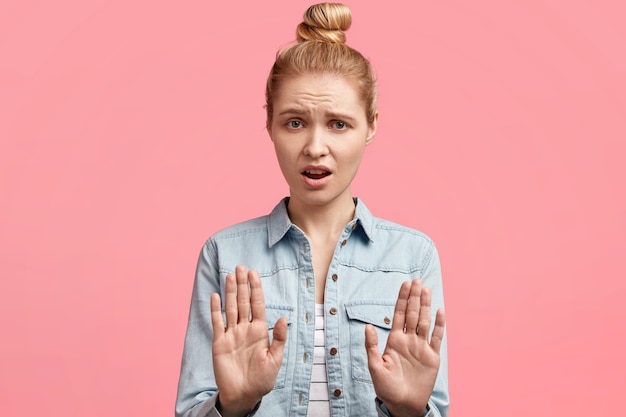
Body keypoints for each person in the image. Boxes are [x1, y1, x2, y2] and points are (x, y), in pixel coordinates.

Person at [175, 3, 449, 416]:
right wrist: (235, 403)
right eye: (295, 122)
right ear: (269, 124)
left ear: (371, 125)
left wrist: (410, 409)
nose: (315, 147)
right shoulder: (224, 254)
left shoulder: (414, 257)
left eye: (339, 124)